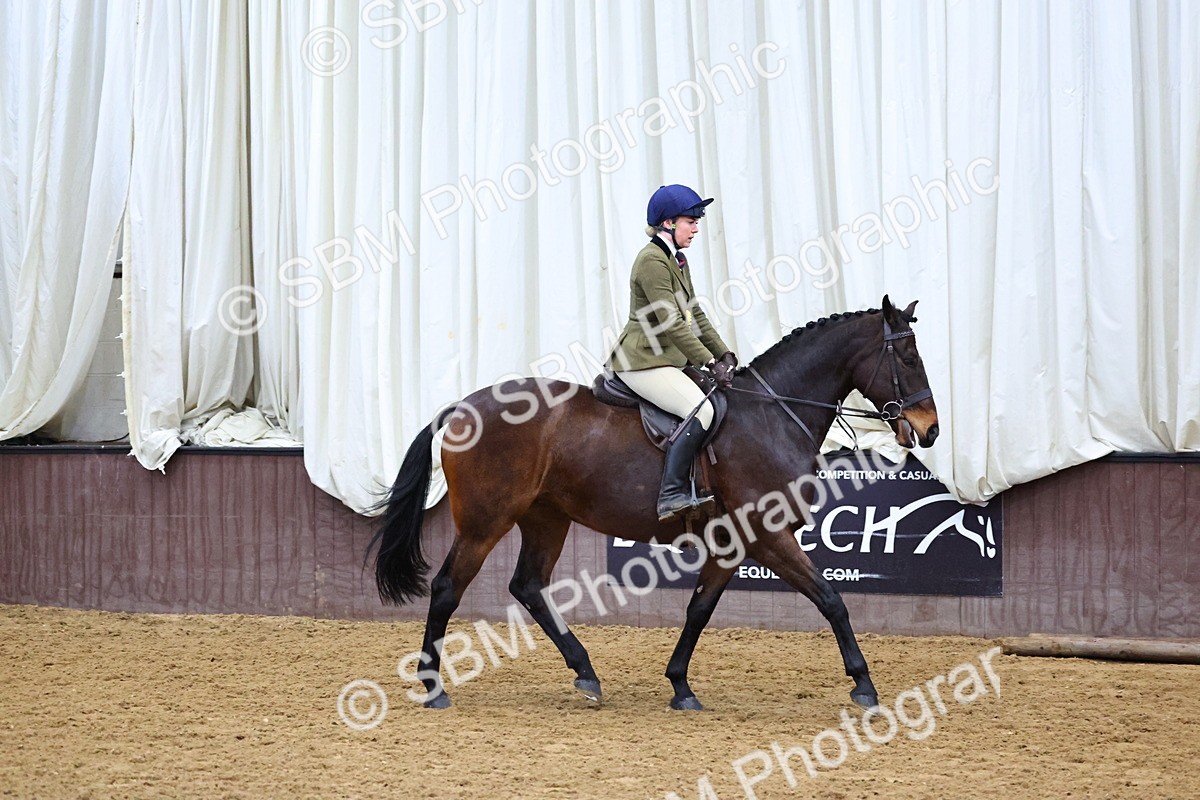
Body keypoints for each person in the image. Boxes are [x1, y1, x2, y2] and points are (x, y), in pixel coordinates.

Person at [607, 184, 738, 522]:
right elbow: (671, 324)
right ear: (667, 223)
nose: (696, 228)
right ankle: (671, 494)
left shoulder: (677, 260)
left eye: (697, 221)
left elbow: (694, 315)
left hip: (666, 358)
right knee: (701, 410)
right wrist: (707, 361)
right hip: (642, 361)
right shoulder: (651, 261)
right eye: (690, 221)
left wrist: (723, 353)